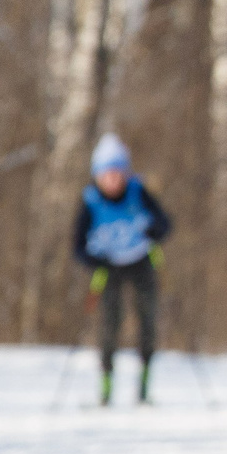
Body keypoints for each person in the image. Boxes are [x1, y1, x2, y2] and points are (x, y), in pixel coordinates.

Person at [72, 132, 174, 407]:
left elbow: (165, 223)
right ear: (98, 175)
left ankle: (143, 386)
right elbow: (77, 246)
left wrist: (155, 230)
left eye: (117, 173)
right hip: (109, 266)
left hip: (141, 260)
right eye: (107, 174)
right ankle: (105, 388)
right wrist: (93, 260)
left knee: (148, 321)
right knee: (108, 326)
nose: (113, 180)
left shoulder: (138, 191)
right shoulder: (91, 200)